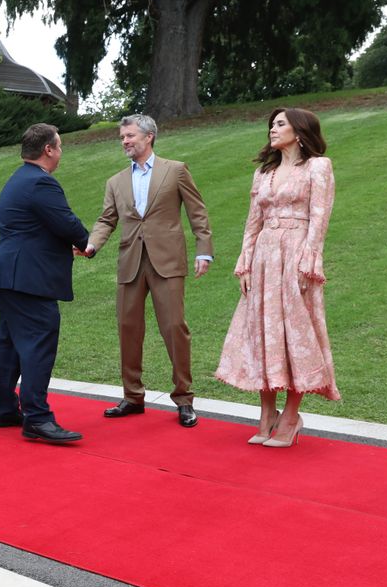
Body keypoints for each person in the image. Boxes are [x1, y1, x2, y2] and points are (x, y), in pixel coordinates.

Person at [216, 107, 339, 447]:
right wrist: (245, 264)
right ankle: (267, 414)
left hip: (296, 256)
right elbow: (252, 222)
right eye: (271, 124)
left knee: (296, 335)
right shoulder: (264, 173)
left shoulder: (318, 167)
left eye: (280, 124)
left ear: (299, 132)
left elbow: (320, 218)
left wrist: (308, 262)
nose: (272, 129)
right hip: (264, 258)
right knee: (263, 332)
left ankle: (291, 416)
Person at [86, 114, 213, 428]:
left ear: (148, 136)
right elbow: (106, 220)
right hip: (130, 262)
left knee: (174, 328)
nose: (125, 142)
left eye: (129, 136)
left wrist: (204, 250)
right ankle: (132, 397)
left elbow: (197, 212)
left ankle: (184, 398)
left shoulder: (176, 170)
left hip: (167, 261)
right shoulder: (115, 181)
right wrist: (91, 245)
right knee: (128, 328)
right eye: (122, 137)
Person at [0, 123, 91, 444]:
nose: (61, 152)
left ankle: (4, 409)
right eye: (59, 146)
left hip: (9, 275)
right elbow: (66, 222)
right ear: (48, 149)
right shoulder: (41, 182)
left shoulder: (18, 179)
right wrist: (87, 243)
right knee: (38, 343)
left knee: (9, 345)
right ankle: (37, 417)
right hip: (29, 279)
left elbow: (34, 227)